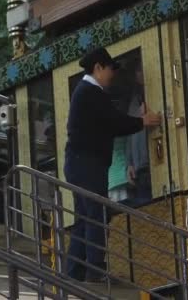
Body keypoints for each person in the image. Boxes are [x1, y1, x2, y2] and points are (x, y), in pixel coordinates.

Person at [64, 47, 161, 282]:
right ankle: (95, 270)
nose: (112, 75)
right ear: (98, 67)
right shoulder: (91, 92)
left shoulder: (85, 92)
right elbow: (114, 123)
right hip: (88, 164)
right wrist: (142, 121)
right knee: (95, 213)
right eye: (109, 69)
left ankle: (74, 273)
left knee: (85, 217)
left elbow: (111, 121)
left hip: (78, 164)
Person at [125, 64, 152, 207]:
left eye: (141, 69)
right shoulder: (135, 100)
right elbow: (129, 131)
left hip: (156, 159)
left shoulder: (157, 92)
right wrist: (129, 163)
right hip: (140, 165)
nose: (139, 73)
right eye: (137, 70)